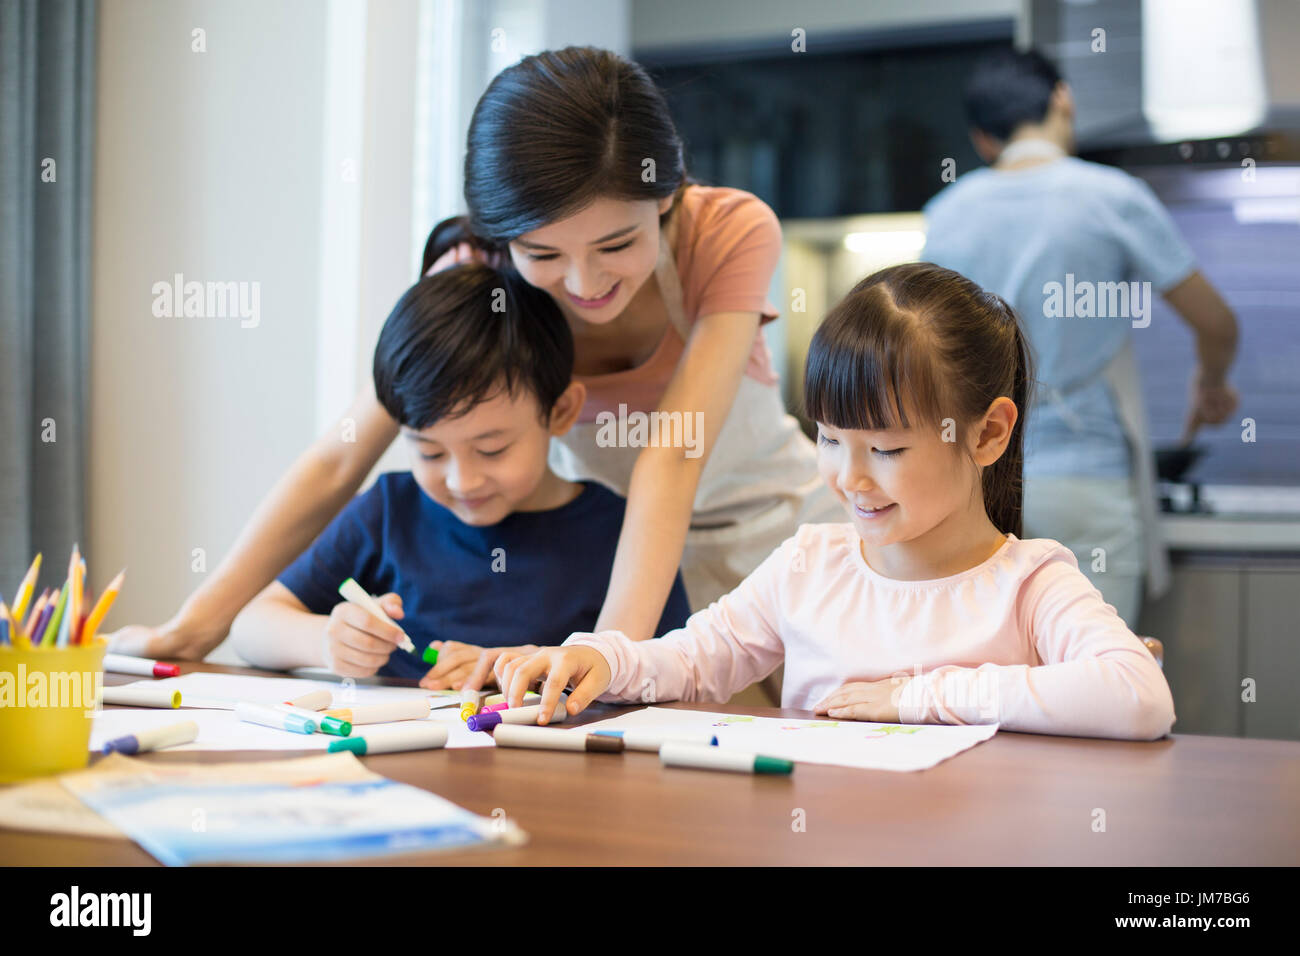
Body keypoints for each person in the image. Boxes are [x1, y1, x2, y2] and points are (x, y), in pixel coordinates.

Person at [111, 46, 840, 702]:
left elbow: (672, 457)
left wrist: (602, 658)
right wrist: (192, 628)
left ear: (667, 194)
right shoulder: (477, 271)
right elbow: (342, 455)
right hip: (632, 559)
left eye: (617, 243)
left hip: (776, 536)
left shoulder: (729, 232)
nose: (584, 282)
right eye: (543, 254)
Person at [493, 264, 1177, 742]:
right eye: (828, 439)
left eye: (886, 450)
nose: (849, 479)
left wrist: (917, 699)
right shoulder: (809, 564)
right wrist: (605, 659)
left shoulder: (1031, 584)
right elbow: (697, 658)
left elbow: (1140, 697)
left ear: (988, 432)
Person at [228, 264, 690, 686]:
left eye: (491, 449)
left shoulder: (620, 533)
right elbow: (251, 627)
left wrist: (532, 670)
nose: (461, 481)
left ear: (561, 411)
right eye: (429, 452)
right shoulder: (390, 510)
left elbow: (674, 671)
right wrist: (325, 640)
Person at [921, 48, 1239, 627]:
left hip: (978, 484)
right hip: (1086, 481)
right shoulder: (1112, 196)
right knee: (1099, 682)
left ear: (983, 139)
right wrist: (1211, 382)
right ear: (1063, 99)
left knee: (995, 677)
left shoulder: (947, 213)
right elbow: (1217, 322)